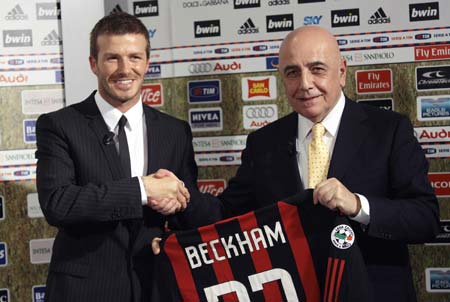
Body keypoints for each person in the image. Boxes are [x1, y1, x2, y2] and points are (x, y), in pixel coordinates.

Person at [213, 26, 439, 301]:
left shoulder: (389, 130)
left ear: (342, 72)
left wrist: (359, 206)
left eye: (317, 69)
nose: (305, 83)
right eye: (292, 72)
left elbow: (425, 218)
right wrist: (174, 212)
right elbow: (227, 214)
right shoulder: (263, 143)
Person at [35, 12, 217, 302]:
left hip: (156, 286)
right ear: (93, 64)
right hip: (84, 291)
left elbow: (187, 213)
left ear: (147, 63)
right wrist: (143, 189)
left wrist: (179, 201)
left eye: (134, 57)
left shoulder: (175, 131)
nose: (124, 69)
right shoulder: (59, 125)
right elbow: (58, 203)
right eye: (112, 58)